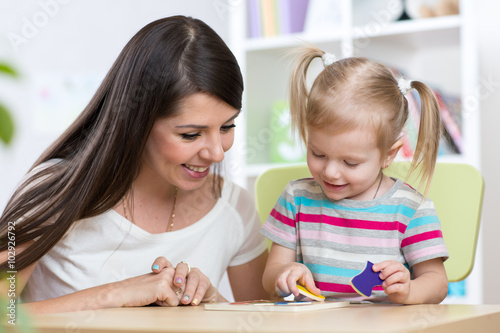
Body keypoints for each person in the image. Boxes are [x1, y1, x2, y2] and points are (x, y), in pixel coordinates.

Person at [0, 16, 268, 314]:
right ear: (137, 122)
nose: (217, 153)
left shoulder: (233, 208)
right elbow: (3, 311)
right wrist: (114, 295)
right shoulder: (53, 193)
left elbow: (262, 322)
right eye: (190, 134)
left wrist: (214, 302)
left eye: (227, 127)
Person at [261, 45, 449, 304]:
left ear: (388, 155)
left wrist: (409, 290)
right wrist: (285, 274)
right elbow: (269, 275)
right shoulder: (296, 198)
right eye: (318, 154)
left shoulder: (410, 209)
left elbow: (437, 283)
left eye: (350, 162)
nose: (330, 172)